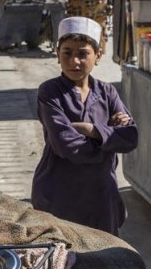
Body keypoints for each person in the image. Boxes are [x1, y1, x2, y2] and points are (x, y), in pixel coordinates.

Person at [31, 17, 138, 235]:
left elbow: (131, 137)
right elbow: (66, 146)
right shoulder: (50, 92)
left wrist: (91, 130)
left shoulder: (107, 92)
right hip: (59, 193)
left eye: (83, 53)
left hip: (101, 196)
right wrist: (108, 138)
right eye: (67, 53)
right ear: (58, 55)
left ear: (98, 56)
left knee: (104, 257)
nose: (75, 61)